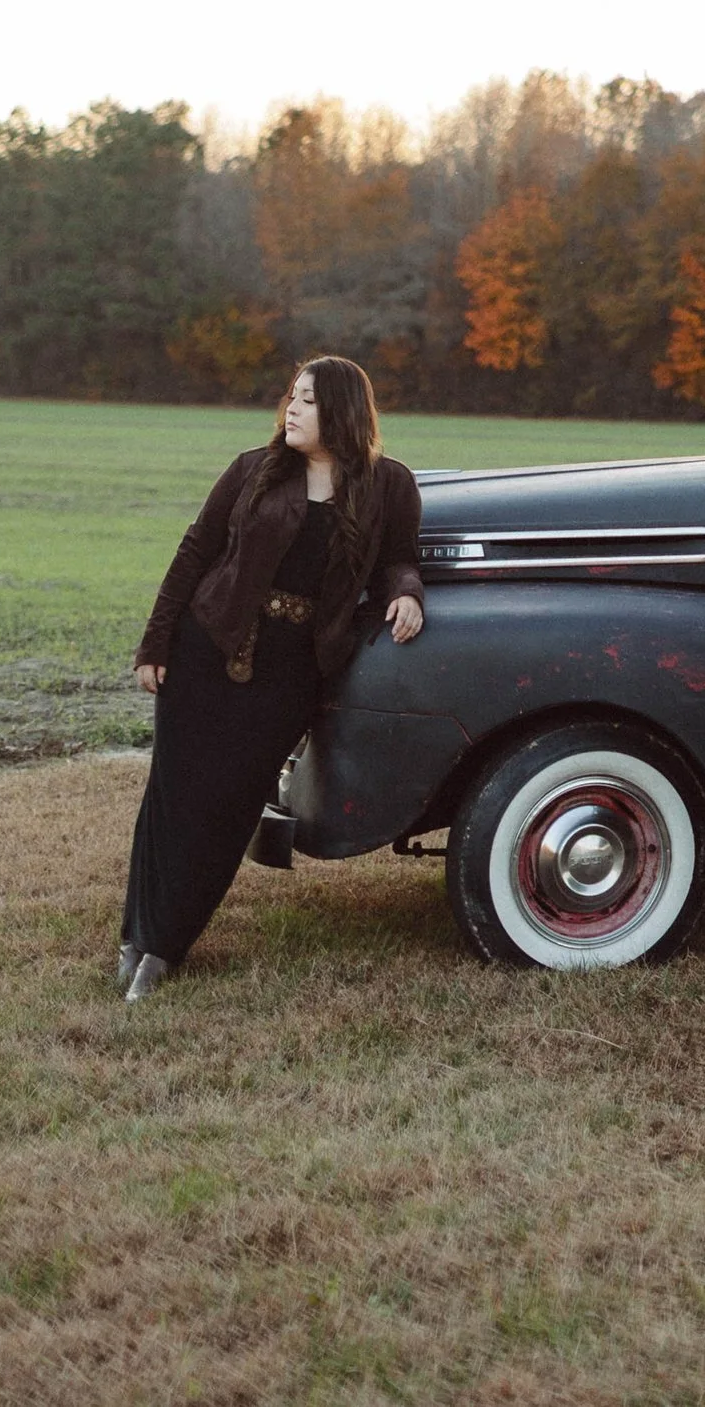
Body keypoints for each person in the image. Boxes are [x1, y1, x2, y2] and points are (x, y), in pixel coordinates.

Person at [121, 356, 424, 998]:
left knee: (229, 808)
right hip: (207, 646)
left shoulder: (388, 485)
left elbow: (399, 557)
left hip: (292, 671)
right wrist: (156, 643)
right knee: (173, 799)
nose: (290, 408)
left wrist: (407, 594)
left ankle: (167, 943)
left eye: (307, 400)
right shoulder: (250, 471)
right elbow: (197, 551)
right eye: (292, 395)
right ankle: (137, 940)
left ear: (341, 411)